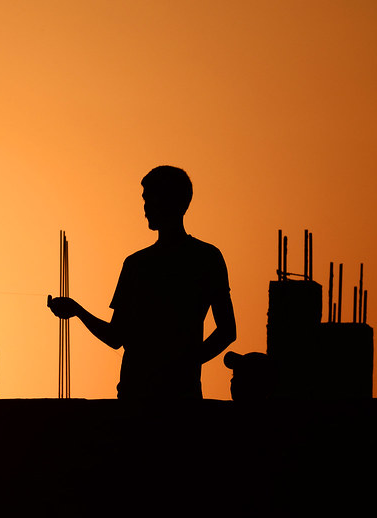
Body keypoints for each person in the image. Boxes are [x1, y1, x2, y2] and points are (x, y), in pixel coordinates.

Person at [48, 166, 236, 399]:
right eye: (145, 200)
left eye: (150, 199)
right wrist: (76, 309)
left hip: (154, 398)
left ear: (173, 202)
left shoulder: (148, 264)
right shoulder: (201, 258)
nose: (145, 207)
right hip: (152, 394)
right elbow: (117, 336)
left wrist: (185, 362)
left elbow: (227, 331)